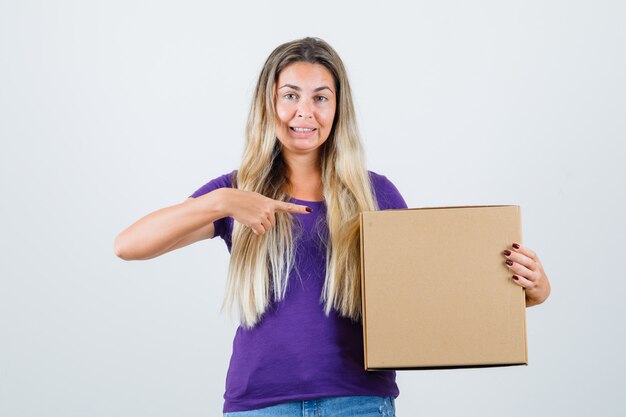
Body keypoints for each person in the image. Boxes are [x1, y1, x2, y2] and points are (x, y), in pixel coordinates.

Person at [114, 37, 551, 417]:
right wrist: (222, 201)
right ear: (269, 103)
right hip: (260, 404)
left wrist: (529, 293)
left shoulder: (374, 195)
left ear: (338, 108)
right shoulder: (236, 194)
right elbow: (129, 245)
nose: (304, 111)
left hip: (358, 402)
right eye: (290, 95)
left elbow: (427, 302)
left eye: (320, 97)